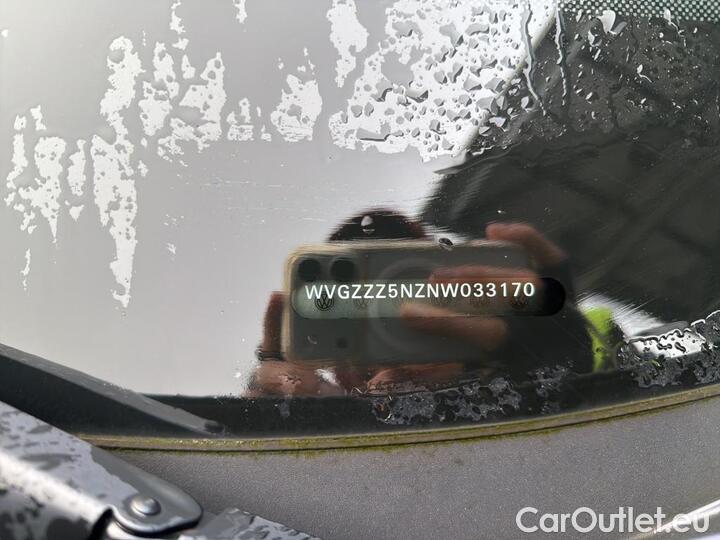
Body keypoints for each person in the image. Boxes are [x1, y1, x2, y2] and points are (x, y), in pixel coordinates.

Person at [247, 209, 593, 397]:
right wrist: (276, 413)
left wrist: (557, 371)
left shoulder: (512, 376)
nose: (405, 318)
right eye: (365, 316)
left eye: (422, 293)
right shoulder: (327, 417)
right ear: (339, 369)